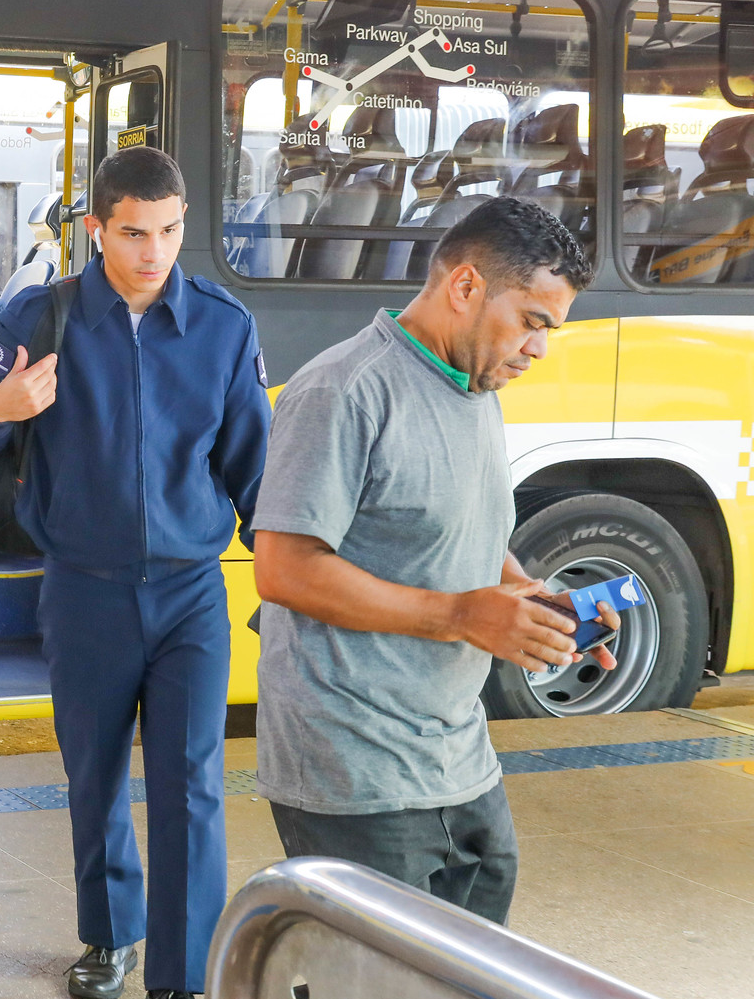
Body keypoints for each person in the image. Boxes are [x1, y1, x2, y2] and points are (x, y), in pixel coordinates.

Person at [0, 147, 271, 999]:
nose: (154, 252)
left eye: (169, 232)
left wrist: (289, 576)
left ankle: (178, 984)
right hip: (83, 589)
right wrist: (3, 405)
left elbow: (253, 465)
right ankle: (110, 931)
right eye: (134, 233)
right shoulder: (39, 315)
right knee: (93, 775)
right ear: (96, 229)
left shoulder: (220, 325)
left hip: (189, 595)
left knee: (190, 784)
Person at [252, 196, 615, 925]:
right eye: (532, 321)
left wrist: (528, 600)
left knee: (470, 995)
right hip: (356, 768)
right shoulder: (343, 390)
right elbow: (284, 569)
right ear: (466, 287)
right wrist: (458, 614)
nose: (538, 348)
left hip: (457, 756)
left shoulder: (476, 384)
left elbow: (453, 523)